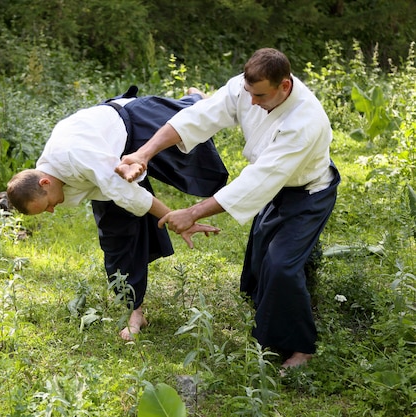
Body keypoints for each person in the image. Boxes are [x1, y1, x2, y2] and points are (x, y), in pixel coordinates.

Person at [115, 48, 340, 369]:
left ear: (285, 87)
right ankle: (269, 317)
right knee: (261, 260)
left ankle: (301, 348)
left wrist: (192, 213)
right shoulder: (245, 88)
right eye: (248, 93)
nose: (251, 102)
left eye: (260, 95)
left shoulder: (305, 121)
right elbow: (195, 118)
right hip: (275, 186)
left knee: (281, 266)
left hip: (309, 193)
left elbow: (257, 182)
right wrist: (144, 153)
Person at [7, 87, 228, 341]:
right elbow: (117, 191)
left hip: (132, 123)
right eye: (45, 211)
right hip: (108, 172)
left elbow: (128, 193)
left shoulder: (75, 155)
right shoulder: (50, 177)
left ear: (45, 183)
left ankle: (196, 99)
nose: (52, 210)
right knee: (116, 243)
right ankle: (136, 312)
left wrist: (179, 220)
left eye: (46, 206)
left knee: (193, 142)